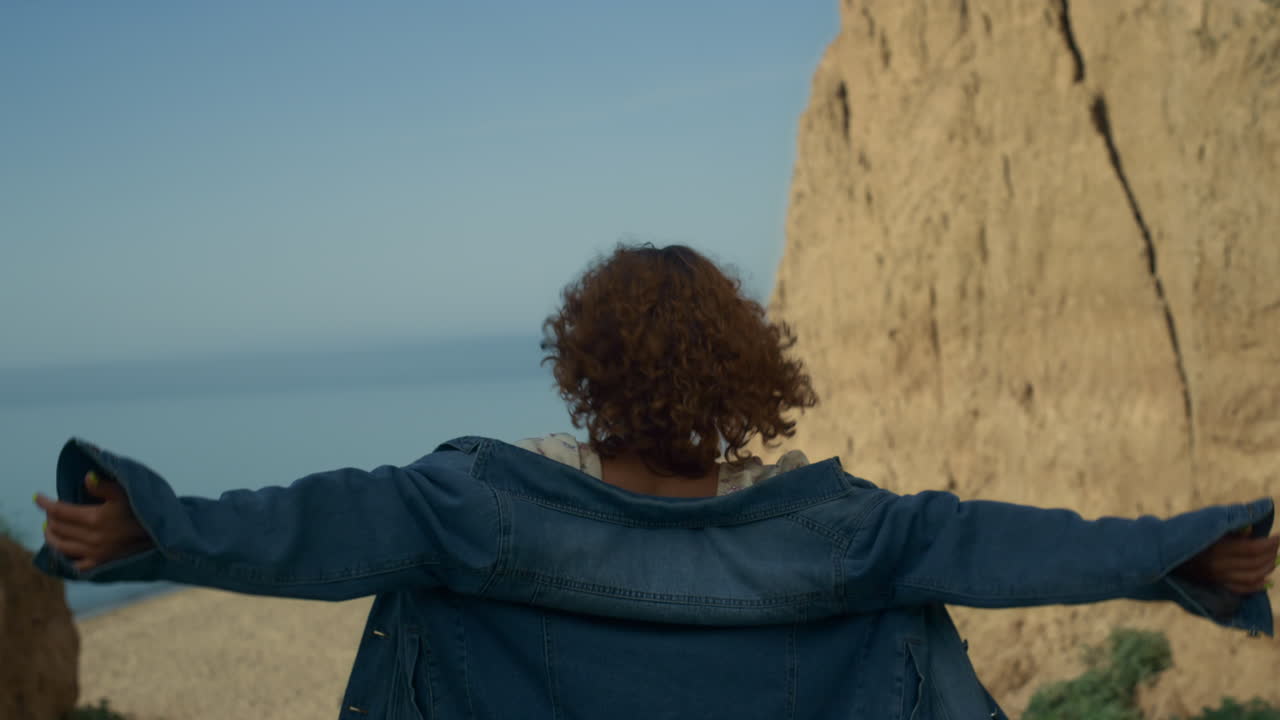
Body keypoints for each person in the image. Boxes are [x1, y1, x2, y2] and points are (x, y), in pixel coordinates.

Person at [34, 243, 1278, 719]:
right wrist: (1176, 556)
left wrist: (154, 527)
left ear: (586, 374)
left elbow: (308, 527)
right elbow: (1005, 542)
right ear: (745, 382)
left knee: (413, 587)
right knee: (908, 597)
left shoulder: (480, 501)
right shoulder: (833, 528)